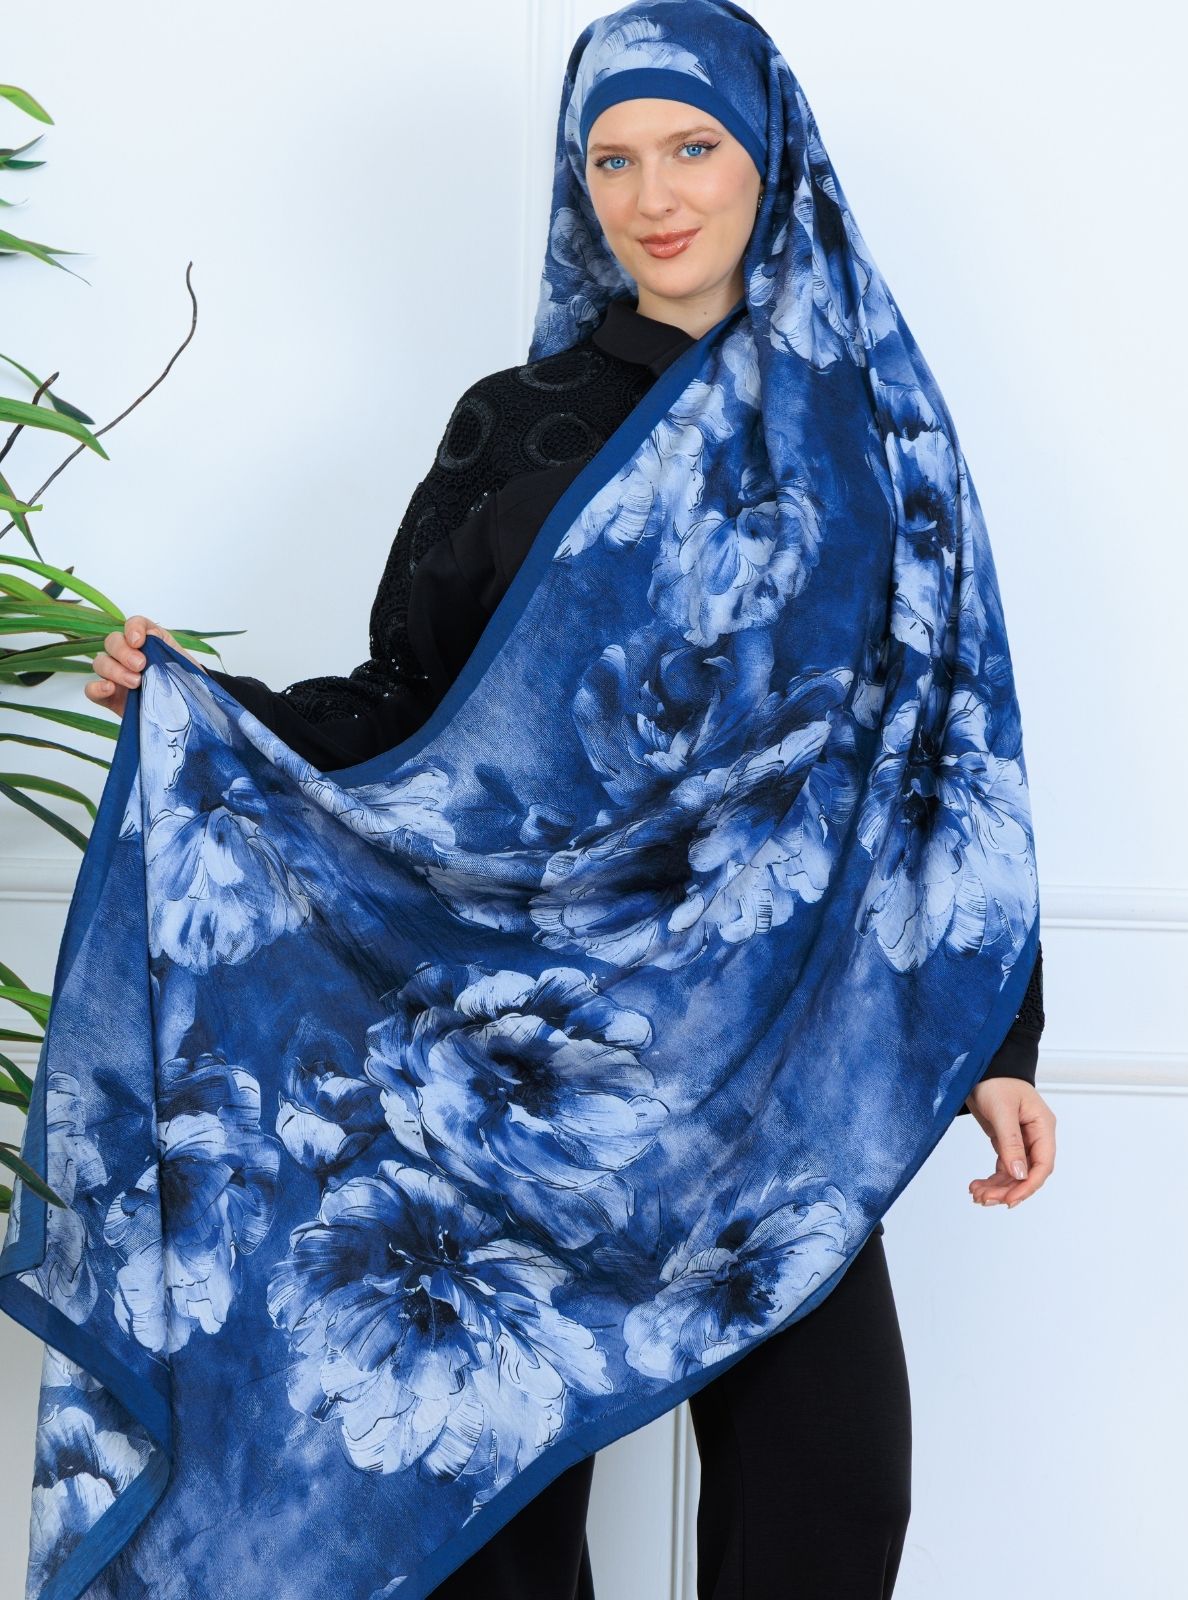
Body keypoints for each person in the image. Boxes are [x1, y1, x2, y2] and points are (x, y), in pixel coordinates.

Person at [79, 7, 1055, 1596]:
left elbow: (950, 743)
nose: (651, 196)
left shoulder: (875, 437)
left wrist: (1000, 1043)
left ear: (772, 159)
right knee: (493, 1529)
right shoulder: (515, 424)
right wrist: (213, 707)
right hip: (520, 1063)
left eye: (692, 148)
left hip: (775, 1063)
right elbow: (412, 703)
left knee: (828, 1501)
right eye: (611, 159)